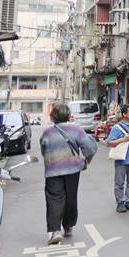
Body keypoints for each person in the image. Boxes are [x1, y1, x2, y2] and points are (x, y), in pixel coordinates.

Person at [39, 103, 98, 245]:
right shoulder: (76, 130)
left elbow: (43, 150)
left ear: (53, 116)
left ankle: (54, 231)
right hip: (72, 170)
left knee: (54, 199)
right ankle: (68, 225)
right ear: (68, 115)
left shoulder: (47, 133)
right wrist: (87, 159)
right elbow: (90, 147)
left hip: (53, 171)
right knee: (71, 197)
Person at [106, 106, 129, 213]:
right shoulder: (117, 127)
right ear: (125, 114)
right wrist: (123, 139)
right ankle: (120, 203)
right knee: (119, 183)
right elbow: (109, 143)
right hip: (121, 159)